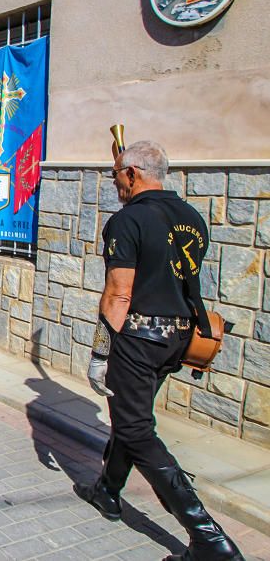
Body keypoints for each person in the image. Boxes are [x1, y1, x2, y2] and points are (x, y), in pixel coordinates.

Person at [75, 141, 241, 561]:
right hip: (179, 338)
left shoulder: (128, 221)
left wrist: (99, 353)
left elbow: (118, 293)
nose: (113, 181)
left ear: (133, 173)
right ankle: (108, 492)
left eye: (116, 173)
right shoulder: (191, 218)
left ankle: (209, 540)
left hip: (138, 338)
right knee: (132, 417)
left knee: (134, 429)